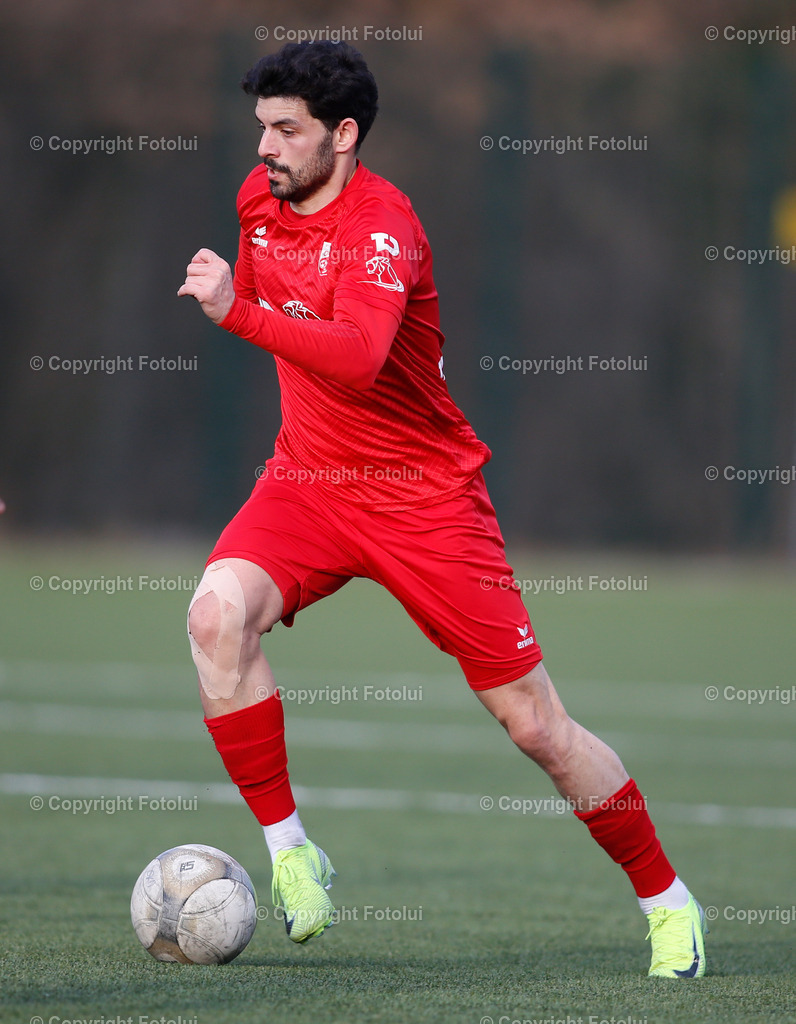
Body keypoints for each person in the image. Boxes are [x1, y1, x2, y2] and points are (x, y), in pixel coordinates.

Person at [177, 40, 706, 978]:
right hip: (306, 482)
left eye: (286, 130)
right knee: (216, 615)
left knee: (537, 725)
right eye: (261, 126)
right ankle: (293, 851)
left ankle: (669, 904)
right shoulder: (260, 202)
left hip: (425, 500)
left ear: (342, 136)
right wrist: (248, 307)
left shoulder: (385, 225)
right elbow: (290, 336)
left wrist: (237, 315)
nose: (265, 147)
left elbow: (359, 356)